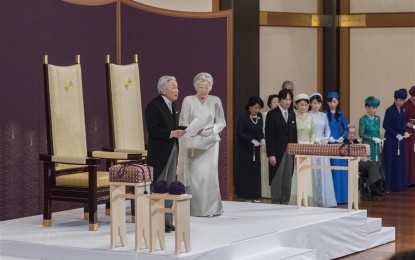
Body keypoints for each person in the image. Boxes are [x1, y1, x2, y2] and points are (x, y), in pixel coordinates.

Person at [176, 72, 226, 217]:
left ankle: (212, 208)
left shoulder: (215, 100)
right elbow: (183, 122)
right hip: (193, 143)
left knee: (209, 175)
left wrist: (210, 131)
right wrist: (195, 130)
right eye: (200, 87)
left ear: (210, 88)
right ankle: (194, 208)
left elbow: (221, 122)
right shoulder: (188, 100)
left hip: (211, 143)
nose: (203, 90)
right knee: (196, 176)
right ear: (195, 87)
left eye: (206, 87)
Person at [145, 75, 186, 232]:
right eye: (173, 87)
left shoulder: (172, 105)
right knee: (159, 186)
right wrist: (171, 133)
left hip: (173, 149)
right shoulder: (154, 106)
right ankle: (156, 221)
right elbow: (153, 130)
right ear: (163, 89)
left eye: (177, 87)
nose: (177, 90)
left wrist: (187, 129)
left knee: (169, 186)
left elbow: (173, 126)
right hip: (160, 153)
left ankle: (167, 221)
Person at [265, 88, 297, 204]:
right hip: (277, 151)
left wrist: (295, 151)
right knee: (277, 178)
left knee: (287, 178)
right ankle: (276, 201)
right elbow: (269, 136)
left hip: (290, 150)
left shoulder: (292, 114)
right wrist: (271, 154)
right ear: (280, 100)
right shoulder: (272, 114)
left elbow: (294, 134)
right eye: (285, 99)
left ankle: (285, 202)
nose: (288, 102)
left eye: (289, 99)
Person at [308, 93, 337, 207]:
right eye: (314, 103)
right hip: (312, 145)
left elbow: (327, 130)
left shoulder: (323, 115)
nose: (317, 105)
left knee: (324, 171)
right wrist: (315, 139)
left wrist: (325, 138)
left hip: (322, 146)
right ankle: (314, 199)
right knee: (313, 171)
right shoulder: (307, 115)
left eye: (319, 103)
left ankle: (325, 199)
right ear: (310, 103)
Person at [235, 96, 265, 203]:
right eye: (255, 108)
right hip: (245, 148)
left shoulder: (260, 116)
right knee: (246, 172)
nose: (257, 110)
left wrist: (262, 139)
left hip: (256, 148)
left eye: (259, 108)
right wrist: (251, 140)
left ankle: (255, 195)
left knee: (255, 172)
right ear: (250, 106)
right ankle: (246, 196)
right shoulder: (243, 116)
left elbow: (260, 130)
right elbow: (239, 133)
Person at [289, 93, 317, 206]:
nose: (304, 107)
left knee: (308, 173)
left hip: (308, 148)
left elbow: (313, 132)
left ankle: (307, 198)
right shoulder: (292, 117)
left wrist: (310, 144)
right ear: (296, 105)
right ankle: (296, 198)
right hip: (297, 148)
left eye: (306, 105)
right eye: (301, 105)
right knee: (297, 173)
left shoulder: (310, 118)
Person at [344, 125, 386, 197]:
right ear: (346, 133)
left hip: (359, 161)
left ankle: (379, 186)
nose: (352, 135)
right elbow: (347, 154)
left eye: (354, 133)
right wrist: (360, 158)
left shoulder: (356, 141)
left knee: (378, 163)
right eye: (350, 133)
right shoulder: (344, 142)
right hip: (352, 162)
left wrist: (365, 157)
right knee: (372, 165)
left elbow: (361, 152)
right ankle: (373, 189)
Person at [324, 91, 349, 203]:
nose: (333, 104)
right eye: (330, 102)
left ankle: (342, 197)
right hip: (328, 144)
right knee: (331, 170)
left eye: (335, 101)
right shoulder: (324, 114)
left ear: (338, 102)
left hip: (339, 145)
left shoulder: (341, 114)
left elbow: (346, 129)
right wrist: (328, 137)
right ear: (327, 102)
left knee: (340, 171)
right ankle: (331, 197)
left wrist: (342, 137)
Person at [383, 88, 410, 192]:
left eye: (403, 100)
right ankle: (389, 186)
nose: (402, 102)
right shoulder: (389, 110)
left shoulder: (403, 110)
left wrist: (405, 132)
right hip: (391, 140)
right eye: (400, 100)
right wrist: (396, 134)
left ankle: (400, 185)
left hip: (400, 140)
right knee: (391, 162)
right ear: (395, 99)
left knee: (400, 162)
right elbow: (386, 125)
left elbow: (403, 124)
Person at [260, 94, 279, 198]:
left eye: (278, 101)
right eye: (274, 102)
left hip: (277, 145)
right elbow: (262, 128)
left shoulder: (281, 114)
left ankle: (275, 193)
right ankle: (266, 193)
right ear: (270, 104)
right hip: (265, 144)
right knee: (265, 169)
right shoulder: (265, 114)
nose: (276, 103)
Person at [359, 96, 382, 162]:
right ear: (367, 108)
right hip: (368, 145)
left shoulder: (377, 118)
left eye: (376, 108)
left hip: (376, 145)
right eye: (373, 108)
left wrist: (379, 140)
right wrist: (373, 139)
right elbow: (361, 134)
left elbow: (377, 131)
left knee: (378, 163)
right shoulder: (363, 119)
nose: (375, 110)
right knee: (370, 163)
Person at [403, 86, 415, 186]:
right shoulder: (406, 105)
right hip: (409, 134)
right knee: (410, 155)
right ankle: (409, 180)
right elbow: (403, 120)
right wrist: (411, 125)